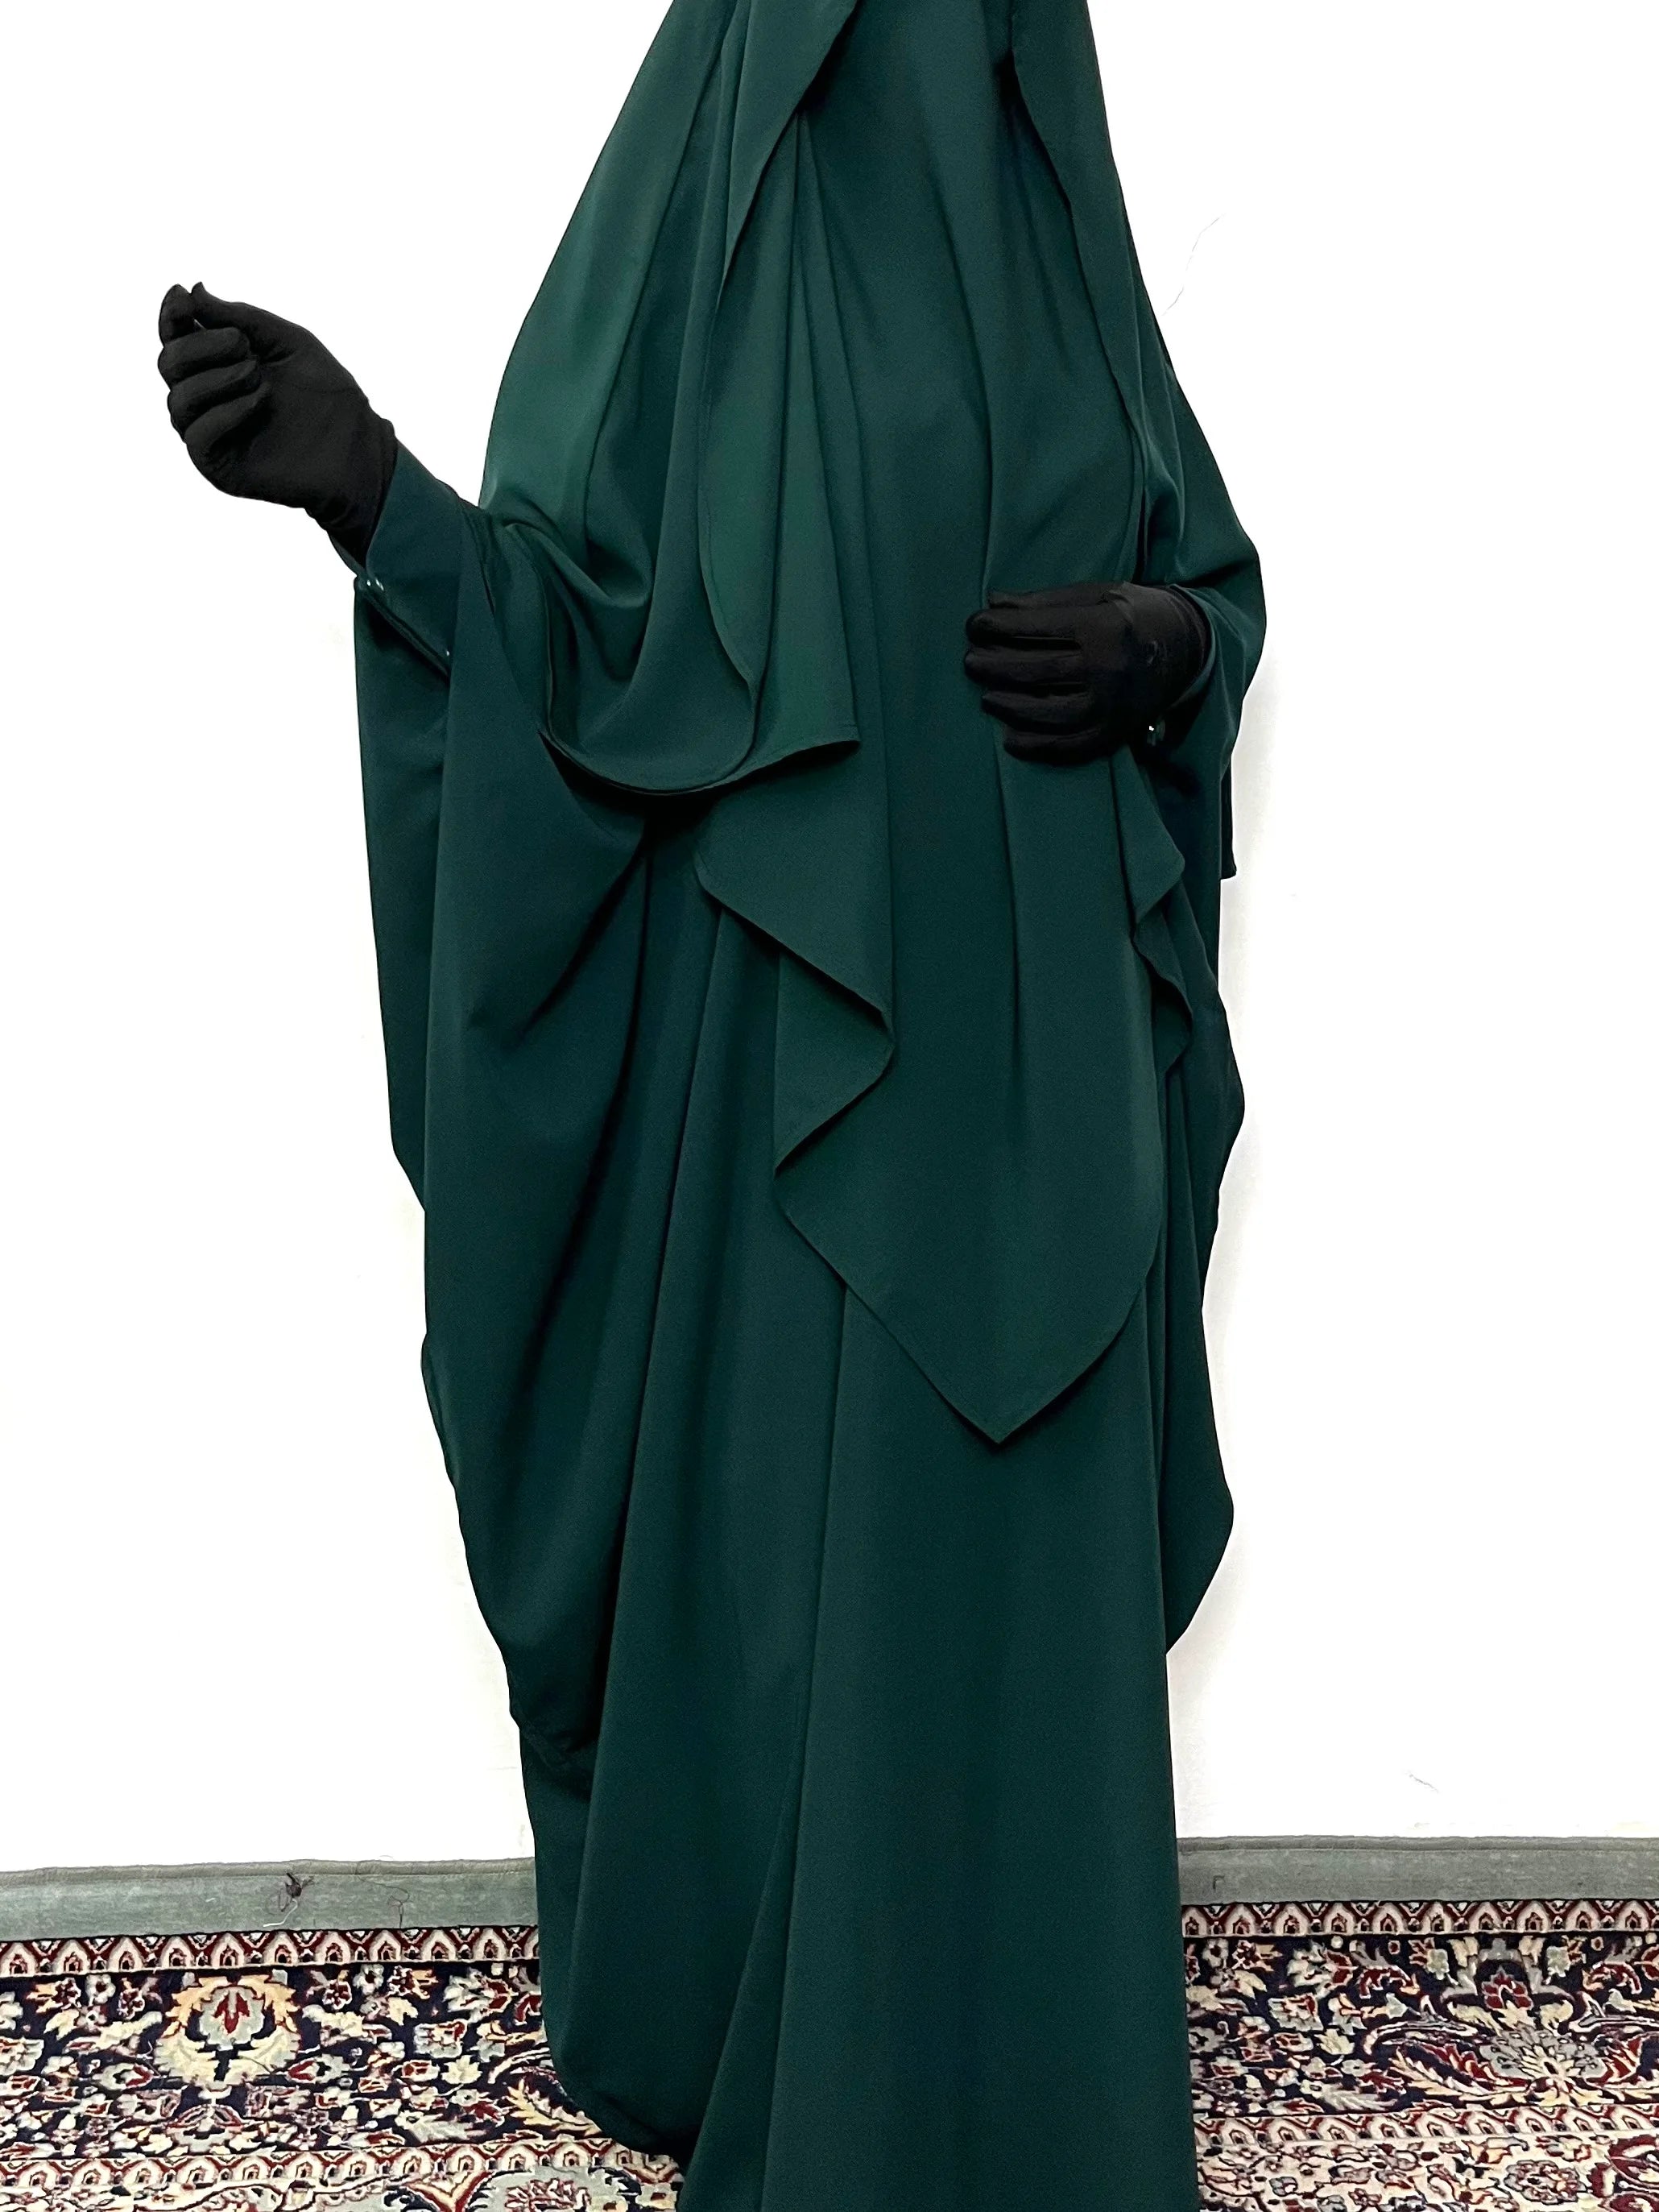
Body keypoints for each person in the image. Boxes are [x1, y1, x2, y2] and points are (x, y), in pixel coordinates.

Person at [157, 0, 1264, 2202]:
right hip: (794, 1099)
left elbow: (1205, 569)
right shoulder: (692, 261)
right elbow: (581, 661)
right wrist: (369, 490)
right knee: (802, 1616)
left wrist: (1170, 643)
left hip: (1049, 1084)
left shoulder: (1069, 245)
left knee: (1015, 1610)